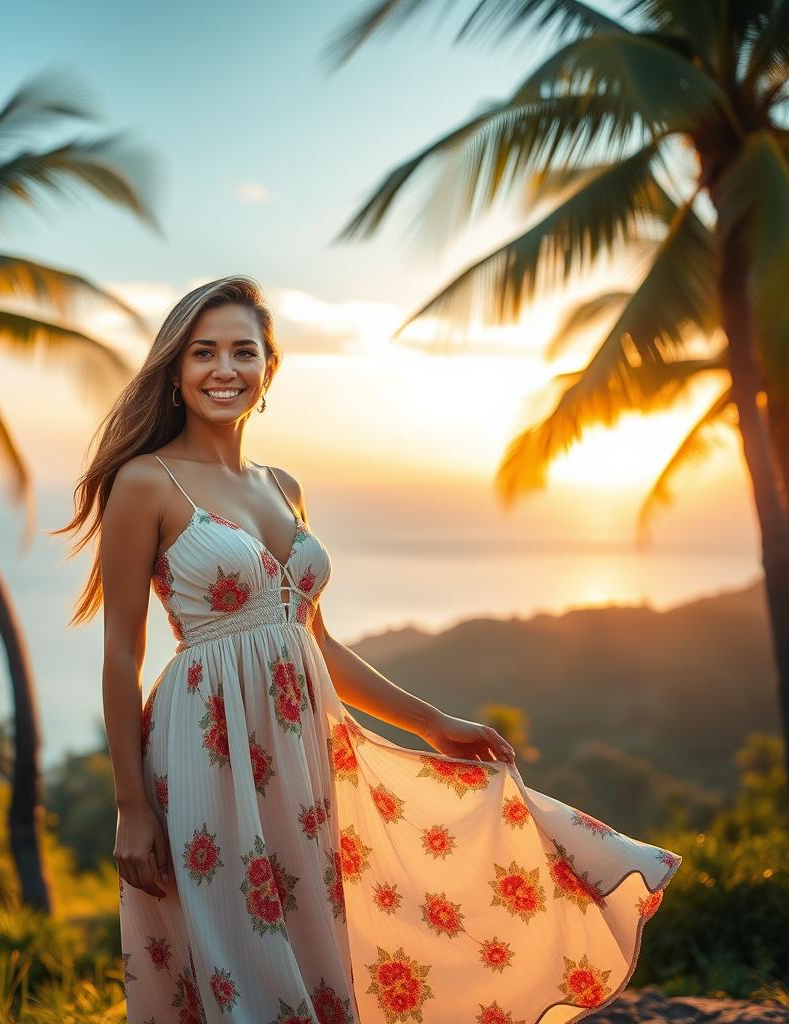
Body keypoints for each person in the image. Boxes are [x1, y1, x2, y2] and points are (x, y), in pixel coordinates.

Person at [54, 275, 682, 1024]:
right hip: (204, 746)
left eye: (243, 352)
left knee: (315, 936)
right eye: (204, 352)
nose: (225, 369)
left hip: (300, 751)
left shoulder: (281, 487)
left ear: (268, 370)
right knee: (242, 956)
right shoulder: (144, 482)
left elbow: (313, 640)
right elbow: (121, 655)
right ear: (176, 373)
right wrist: (131, 806)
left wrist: (430, 722)